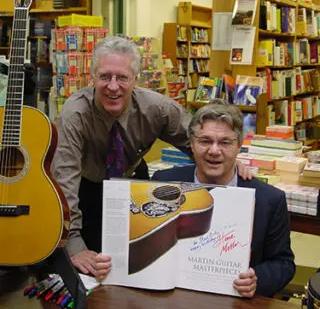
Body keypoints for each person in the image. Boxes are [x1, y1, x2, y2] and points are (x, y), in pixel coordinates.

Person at [51, 36, 251, 281]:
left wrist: (227, 161)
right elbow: (64, 181)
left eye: (122, 77)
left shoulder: (156, 108)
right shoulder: (75, 113)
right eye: (105, 77)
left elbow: (198, 139)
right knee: (93, 269)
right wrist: (74, 246)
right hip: (87, 189)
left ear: (135, 80)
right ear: (92, 78)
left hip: (133, 181)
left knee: (138, 263)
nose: (113, 86)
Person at [152, 99, 295, 298]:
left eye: (225, 142)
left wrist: (257, 279)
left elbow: (284, 263)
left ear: (239, 146)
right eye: (205, 141)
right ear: (191, 144)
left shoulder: (269, 199)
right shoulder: (163, 184)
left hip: (236, 301)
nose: (214, 151)